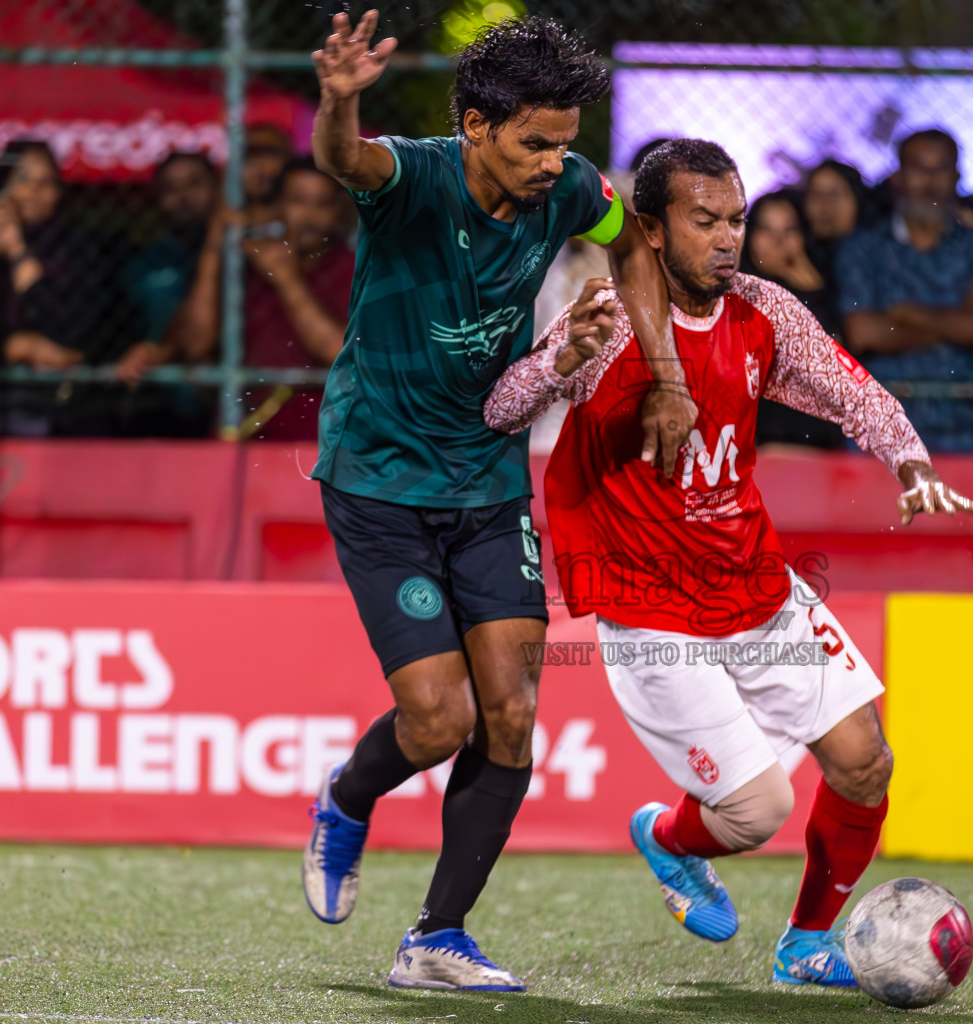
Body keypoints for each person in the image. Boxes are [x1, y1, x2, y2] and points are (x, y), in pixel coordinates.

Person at [482, 139, 973, 987]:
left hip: (753, 583)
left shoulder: (764, 312)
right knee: (758, 811)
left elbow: (851, 390)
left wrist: (912, 463)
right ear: (648, 227)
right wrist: (558, 360)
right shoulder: (607, 322)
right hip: (647, 607)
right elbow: (501, 409)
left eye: (737, 219)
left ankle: (803, 946)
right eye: (704, 220)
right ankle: (669, 837)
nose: (727, 238)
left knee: (865, 763)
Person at [298, 12, 695, 992]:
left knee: (511, 711)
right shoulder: (415, 178)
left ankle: (438, 936)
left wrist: (666, 370)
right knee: (437, 721)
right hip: (380, 474)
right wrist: (341, 94)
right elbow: (344, 155)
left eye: (564, 142)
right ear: (474, 123)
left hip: (485, 476)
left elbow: (636, 248)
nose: (552, 163)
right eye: (533, 143)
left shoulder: (567, 189)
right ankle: (347, 799)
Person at [837, 129, 973, 453]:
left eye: (941, 169)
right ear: (899, 177)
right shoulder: (864, 248)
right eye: (919, 168)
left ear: (958, 176)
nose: (930, 182)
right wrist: (958, 323)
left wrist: (907, 314)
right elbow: (864, 332)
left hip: (968, 428)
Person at [166, 158, 354, 440]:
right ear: (275, 207)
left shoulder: (352, 268)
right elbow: (195, 345)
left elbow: (338, 353)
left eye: (322, 204)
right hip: (240, 433)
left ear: (337, 213)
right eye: (298, 201)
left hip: (318, 440)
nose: (309, 216)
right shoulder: (246, 267)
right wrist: (213, 250)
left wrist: (288, 281)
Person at [0, 140, 126, 435]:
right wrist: (15, 347)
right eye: (22, 180)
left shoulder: (78, 249)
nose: (33, 191)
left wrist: (18, 251)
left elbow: (69, 331)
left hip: (66, 408)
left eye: (46, 183)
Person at [740, 190, 845, 448]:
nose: (779, 242)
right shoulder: (734, 291)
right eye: (767, 230)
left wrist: (806, 280)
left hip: (821, 443)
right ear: (749, 236)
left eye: (790, 231)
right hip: (761, 441)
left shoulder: (824, 285)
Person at [116, 151, 220, 387]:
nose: (183, 196)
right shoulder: (141, 265)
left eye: (194, 183)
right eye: (171, 188)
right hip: (156, 394)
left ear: (217, 189)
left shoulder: (239, 258)